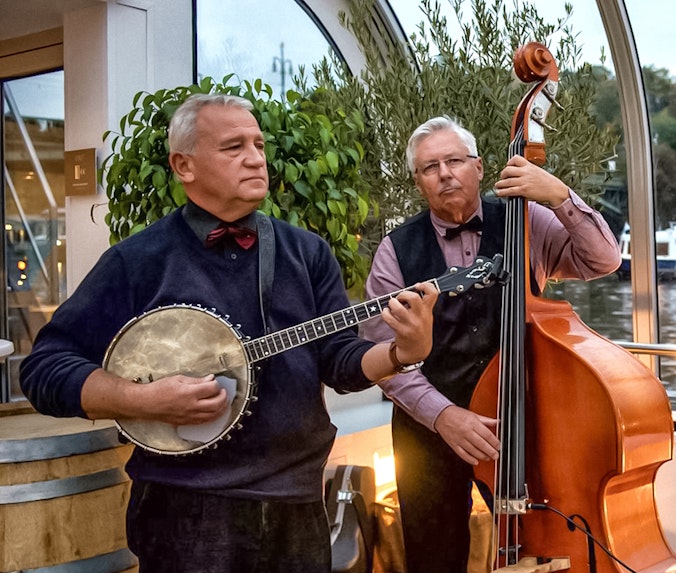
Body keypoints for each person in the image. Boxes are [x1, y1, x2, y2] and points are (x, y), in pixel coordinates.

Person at [20, 93, 439, 572]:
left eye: (258, 144)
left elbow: (339, 361)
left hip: (296, 505)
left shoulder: (307, 252)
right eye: (233, 146)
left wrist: (402, 351)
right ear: (184, 165)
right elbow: (45, 368)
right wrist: (143, 401)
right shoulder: (137, 261)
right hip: (185, 513)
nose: (256, 157)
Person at [362, 115, 621, 572]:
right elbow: (385, 354)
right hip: (428, 426)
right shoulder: (395, 250)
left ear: (479, 167)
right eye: (430, 167)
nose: (445, 173)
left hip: (522, 418)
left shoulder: (526, 220)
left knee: (538, 546)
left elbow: (602, 260)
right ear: (418, 181)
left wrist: (559, 196)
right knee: (432, 556)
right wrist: (444, 416)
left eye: (455, 161)